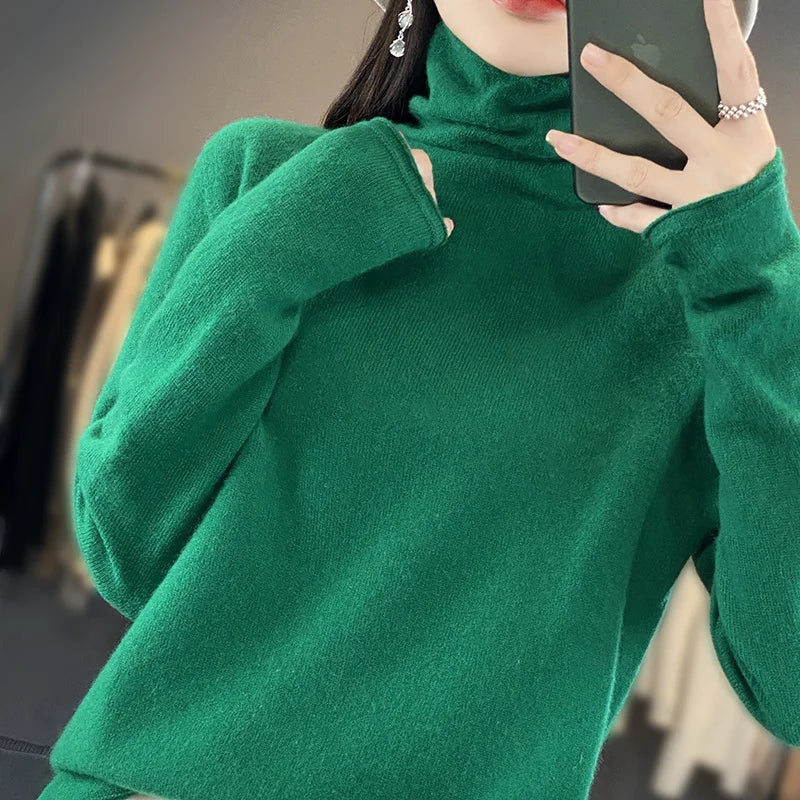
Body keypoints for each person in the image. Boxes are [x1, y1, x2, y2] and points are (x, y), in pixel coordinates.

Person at [38, 1, 800, 799]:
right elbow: (128, 552)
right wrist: (273, 254)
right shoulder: (265, 172)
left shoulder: (720, 304)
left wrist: (752, 269)